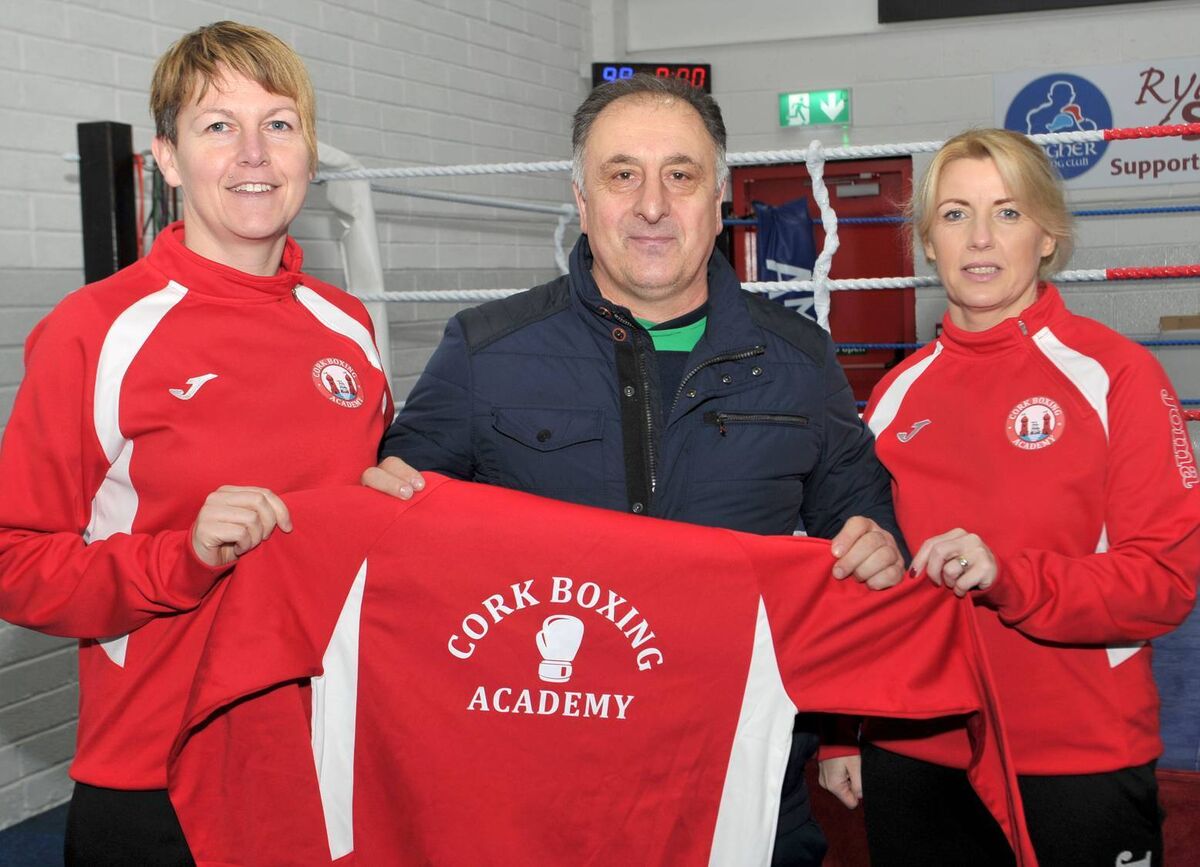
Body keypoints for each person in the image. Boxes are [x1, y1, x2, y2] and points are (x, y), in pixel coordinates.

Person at [364, 74, 906, 866]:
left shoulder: (800, 358)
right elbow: (396, 552)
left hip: (740, 795)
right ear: (581, 199)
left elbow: (866, 524)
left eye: (680, 176)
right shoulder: (486, 351)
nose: (652, 204)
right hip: (534, 802)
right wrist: (377, 505)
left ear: (718, 197)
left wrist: (876, 544)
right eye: (623, 175)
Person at [0, 22, 392, 865]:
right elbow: (15, 561)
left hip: (334, 760)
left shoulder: (348, 327)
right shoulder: (96, 331)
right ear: (168, 159)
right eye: (219, 126)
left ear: (308, 153)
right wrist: (180, 557)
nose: (254, 152)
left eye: (279, 124)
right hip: (159, 774)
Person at [819, 128, 1200, 865]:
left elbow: (1164, 581)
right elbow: (863, 576)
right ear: (927, 241)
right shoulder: (896, 394)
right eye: (956, 214)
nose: (981, 237)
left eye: (1009, 212)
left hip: (1076, 751)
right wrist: (843, 726)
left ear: (1049, 235)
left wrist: (1009, 574)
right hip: (916, 745)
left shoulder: (1116, 376)